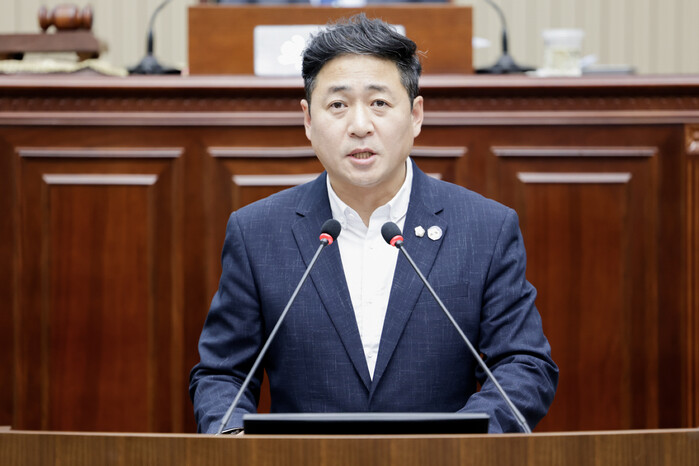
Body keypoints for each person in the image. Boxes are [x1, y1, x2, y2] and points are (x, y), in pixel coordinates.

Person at [189, 14, 558, 434]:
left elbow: (523, 365)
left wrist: (456, 447)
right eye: (338, 105)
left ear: (415, 115)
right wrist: (234, 437)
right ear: (308, 120)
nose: (360, 126)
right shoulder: (258, 233)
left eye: (379, 103)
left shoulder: (485, 229)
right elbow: (222, 374)